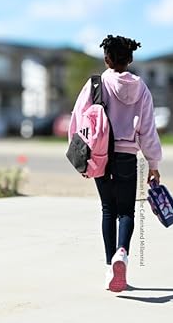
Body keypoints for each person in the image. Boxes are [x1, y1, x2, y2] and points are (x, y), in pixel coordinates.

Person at [68, 35, 162, 292]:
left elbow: (77, 120)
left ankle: (111, 266)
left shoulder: (96, 84)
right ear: (130, 59)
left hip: (100, 156)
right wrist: (153, 163)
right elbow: (147, 129)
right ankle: (123, 254)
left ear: (106, 58)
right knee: (126, 212)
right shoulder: (141, 88)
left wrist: (80, 158)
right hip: (127, 157)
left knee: (107, 210)